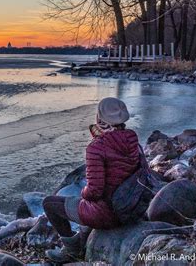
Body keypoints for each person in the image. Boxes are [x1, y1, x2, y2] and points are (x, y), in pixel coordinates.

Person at [43, 97, 141, 263]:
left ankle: (72, 250)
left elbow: (95, 191)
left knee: (49, 204)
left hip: (108, 214)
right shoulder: (132, 138)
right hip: (131, 207)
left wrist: (83, 193)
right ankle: (83, 238)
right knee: (88, 202)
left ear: (100, 118)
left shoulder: (96, 147)